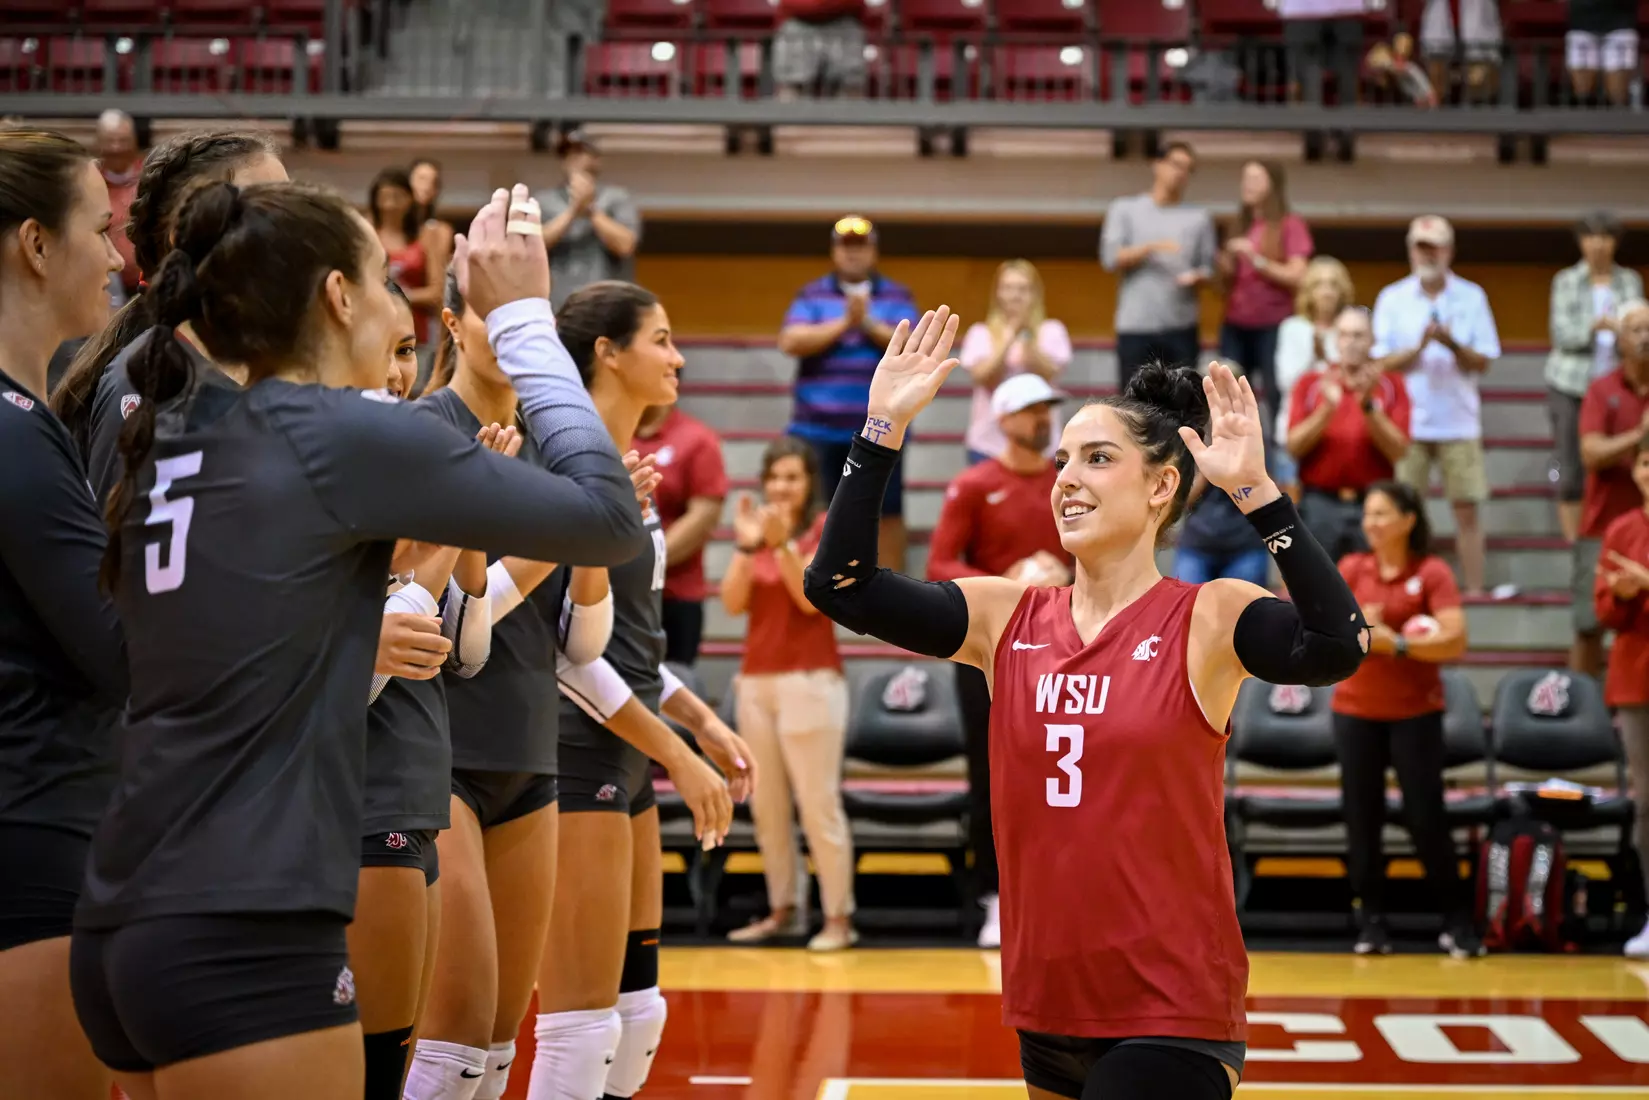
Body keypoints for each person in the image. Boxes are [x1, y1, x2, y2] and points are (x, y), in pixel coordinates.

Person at [67, 181, 649, 1100]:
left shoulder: (180, 427)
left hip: (124, 912)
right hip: (247, 921)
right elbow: (609, 518)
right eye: (385, 279)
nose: (400, 305)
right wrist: (528, 320)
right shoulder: (333, 433)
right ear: (338, 296)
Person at [804, 305, 1368, 1100]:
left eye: (1097, 458)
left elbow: (1338, 644)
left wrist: (1257, 495)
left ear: (1160, 485)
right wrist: (880, 429)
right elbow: (839, 585)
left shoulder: (1207, 616)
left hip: (1170, 1009)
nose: (1065, 477)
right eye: (1064, 459)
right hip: (1048, 1002)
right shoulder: (1006, 617)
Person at [406, 264, 669, 1100]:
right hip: (444, 750)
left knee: (496, 1050)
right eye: (491, 315)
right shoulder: (426, 431)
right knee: (452, 1050)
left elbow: (582, 635)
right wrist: (574, 527)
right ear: (452, 323)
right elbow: (456, 639)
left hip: (529, 753)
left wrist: (590, 533)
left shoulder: (551, 446)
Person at [528, 282, 754, 1100]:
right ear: (606, 354)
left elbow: (629, 646)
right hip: (571, 747)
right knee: (580, 1025)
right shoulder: (563, 466)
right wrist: (680, 757)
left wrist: (700, 719)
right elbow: (561, 655)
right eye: (660, 339)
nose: (679, 355)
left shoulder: (628, 472)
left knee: (638, 1011)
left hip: (626, 754)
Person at [0, 127, 128, 1100]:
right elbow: (120, 649)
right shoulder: (14, 432)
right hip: (35, 824)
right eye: (102, 228)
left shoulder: (30, 418)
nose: (120, 256)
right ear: (35, 244)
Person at [926, 373, 1071, 950]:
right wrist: (1004, 584)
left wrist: (1067, 575)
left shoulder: (1070, 484)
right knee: (991, 774)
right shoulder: (973, 484)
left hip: (1064, 647)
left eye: (1048, 410)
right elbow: (939, 563)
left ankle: (1059, 893)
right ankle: (995, 896)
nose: (1044, 421)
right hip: (989, 649)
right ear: (1004, 418)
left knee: (1062, 770)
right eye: (1033, 411)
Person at [52, 129, 287, 465]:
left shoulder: (283, 359)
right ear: (187, 235)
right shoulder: (144, 383)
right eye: (266, 210)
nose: (292, 225)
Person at [1329, 480, 1480, 958]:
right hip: (1355, 711)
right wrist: (1355, 627)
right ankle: (1370, 921)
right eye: (1367, 514)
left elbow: (1455, 640)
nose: (1370, 523)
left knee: (1425, 817)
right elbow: (1325, 631)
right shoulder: (1353, 568)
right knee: (1362, 817)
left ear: (1408, 520)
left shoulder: (1431, 572)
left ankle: (1456, 921)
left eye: (1380, 514)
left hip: (1416, 714)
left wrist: (1398, 643)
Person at [720, 436, 855, 950]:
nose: (781, 486)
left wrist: (779, 546)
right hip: (756, 681)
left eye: (792, 477)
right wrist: (747, 545)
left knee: (818, 806)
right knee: (768, 809)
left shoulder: (824, 531)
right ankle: (785, 909)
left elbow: (809, 603)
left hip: (812, 681)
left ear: (809, 484)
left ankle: (838, 917)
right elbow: (733, 603)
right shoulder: (757, 533)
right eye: (774, 476)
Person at [778, 215, 921, 569]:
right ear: (835, 251)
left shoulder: (897, 295)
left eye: (861, 246)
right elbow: (790, 340)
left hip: (882, 429)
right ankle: (814, 591)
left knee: (887, 512)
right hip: (816, 429)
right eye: (846, 246)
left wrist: (868, 323)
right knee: (813, 513)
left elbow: (916, 345)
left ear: (873, 251)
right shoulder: (812, 294)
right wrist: (845, 322)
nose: (853, 253)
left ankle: (892, 601)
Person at [1372, 215, 1500, 594]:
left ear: (1449, 250)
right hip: (1406, 423)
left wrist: (1451, 343)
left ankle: (1474, 591)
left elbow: (1484, 360)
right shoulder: (1392, 298)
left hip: (1458, 421)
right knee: (1403, 513)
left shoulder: (1472, 296)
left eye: (1435, 247)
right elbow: (1380, 362)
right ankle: (1402, 589)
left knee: (1467, 508)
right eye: (1420, 247)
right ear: (1411, 250)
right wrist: (1420, 347)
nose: (1428, 254)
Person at [1286, 307, 1411, 562]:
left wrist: (1369, 408)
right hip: (1319, 501)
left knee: (1371, 588)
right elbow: (1293, 447)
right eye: (1344, 335)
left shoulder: (1390, 384)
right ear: (1335, 339)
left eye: (1358, 335)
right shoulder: (1311, 383)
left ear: (1372, 340)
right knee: (1318, 586)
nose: (1351, 343)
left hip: (1373, 503)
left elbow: (1399, 450)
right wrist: (1326, 411)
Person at [1547, 212, 1641, 544]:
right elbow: (1561, 334)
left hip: (1619, 384)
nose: (1598, 245)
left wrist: (1623, 332)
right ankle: (1576, 544)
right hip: (1571, 383)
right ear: (1581, 243)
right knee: (1570, 468)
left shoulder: (1629, 281)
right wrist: (1594, 327)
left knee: (1623, 466)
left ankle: (1624, 537)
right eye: (1591, 237)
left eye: (1605, 237)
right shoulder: (1565, 281)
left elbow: (1638, 329)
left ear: (1615, 242)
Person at [1100, 141, 1217, 393]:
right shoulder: (1125, 209)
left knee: (1182, 405)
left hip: (1181, 326)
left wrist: (1199, 277)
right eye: (1176, 165)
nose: (1181, 173)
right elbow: (1110, 258)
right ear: (1157, 165)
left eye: (1188, 169)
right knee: (1133, 407)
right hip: (1136, 326)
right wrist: (1151, 247)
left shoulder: (1199, 217)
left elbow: (1209, 268)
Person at [1573, 300, 1649, 680]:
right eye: (1636, 329)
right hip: (1602, 525)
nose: (1645, 337)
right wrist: (1639, 435)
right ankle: (1582, 715)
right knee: (1589, 626)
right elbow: (1590, 452)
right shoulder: (1603, 391)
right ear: (1619, 340)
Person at [1595, 440, 1649, 957]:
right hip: (1636, 680)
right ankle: (1648, 913)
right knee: (1647, 803)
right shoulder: (1621, 530)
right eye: (1647, 462)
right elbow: (1605, 614)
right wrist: (1623, 595)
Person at [633, 400, 730, 665]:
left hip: (675, 596)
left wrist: (639, 561)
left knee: (672, 688)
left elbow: (703, 516)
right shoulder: (607, 432)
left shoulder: (697, 439)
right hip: (614, 595)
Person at [1216, 160, 1312, 410]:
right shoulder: (1240, 224)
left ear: (1273, 184)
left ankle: (1275, 448)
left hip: (1274, 324)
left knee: (1276, 394)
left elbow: (1299, 276)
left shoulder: (1290, 224)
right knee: (1230, 394)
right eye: (1245, 178)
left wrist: (1256, 259)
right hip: (1235, 323)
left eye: (1256, 178)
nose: (1248, 185)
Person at [959, 259, 1072, 465]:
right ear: (998, 294)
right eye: (1008, 288)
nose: (1015, 295)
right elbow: (983, 376)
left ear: (1034, 294)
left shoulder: (1052, 330)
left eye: (1023, 288)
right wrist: (1010, 335)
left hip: (1042, 445)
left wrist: (1027, 336)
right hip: (989, 444)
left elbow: (1050, 373)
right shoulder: (980, 332)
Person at [1272, 256, 1355, 494]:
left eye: (1333, 284)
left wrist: (1325, 360)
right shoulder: (1292, 328)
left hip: (1340, 433)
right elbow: (1286, 380)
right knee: (1292, 511)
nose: (1327, 292)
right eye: (1319, 284)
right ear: (1309, 291)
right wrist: (1315, 357)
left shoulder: (1350, 328)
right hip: (1296, 430)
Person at [538, 130, 641, 311]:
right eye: (567, 155)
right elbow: (535, 246)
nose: (573, 159)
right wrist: (572, 211)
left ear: (596, 159)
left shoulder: (617, 198)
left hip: (608, 305)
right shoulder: (544, 201)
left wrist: (591, 210)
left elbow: (626, 245)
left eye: (580, 153)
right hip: (560, 306)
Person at [369, 168, 443, 346]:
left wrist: (398, 296)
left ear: (410, 199)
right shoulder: (368, 234)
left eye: (397, 196)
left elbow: (436, 291)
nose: (390, 204)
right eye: (385, 197)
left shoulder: (426, 236)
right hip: (376, 332)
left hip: (418, 333)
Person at [95, 108, 142, 305]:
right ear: (98, 143)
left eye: (122, 140)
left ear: (135, 141)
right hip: (106, 286)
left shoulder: (150, 176)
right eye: (110, 141)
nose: (116, 148)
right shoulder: (92, 182)